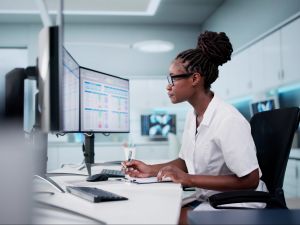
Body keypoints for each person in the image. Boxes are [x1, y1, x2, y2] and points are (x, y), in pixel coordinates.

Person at [123, 31, 267, 224]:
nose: (168, 86)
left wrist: (189, 179)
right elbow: (185, 160)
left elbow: (250, 180)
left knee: (167, 219)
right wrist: (150, 169)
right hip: (211, 197)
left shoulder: (228, 120)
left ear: (195, 79)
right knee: (155, 209)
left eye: (173, 78)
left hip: (240, 203)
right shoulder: (194, 115)